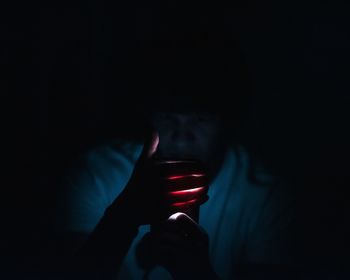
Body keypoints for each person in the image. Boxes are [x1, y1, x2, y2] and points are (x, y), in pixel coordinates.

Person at [50, 10, 297, 280]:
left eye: (200, 119)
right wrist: (123, 218)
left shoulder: (265, 196)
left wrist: (196, 272)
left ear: (226, 120)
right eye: (168, 117)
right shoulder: (96, 174)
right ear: (147, 113)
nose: (181, 136)